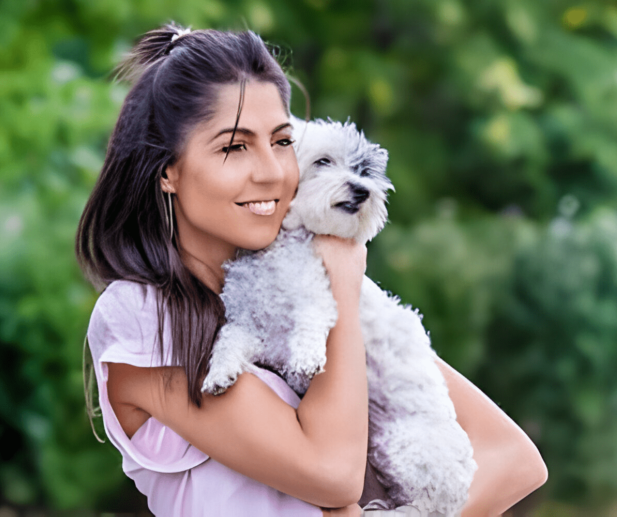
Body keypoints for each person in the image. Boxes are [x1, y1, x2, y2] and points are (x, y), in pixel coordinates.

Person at [76, 22, 547, 516]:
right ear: (167, 171)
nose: (271, 172)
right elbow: (334, 475)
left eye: (281, 142)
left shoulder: (310, 290)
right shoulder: (140, 318)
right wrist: (341, 286)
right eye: (233, 147)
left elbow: (512, 460)